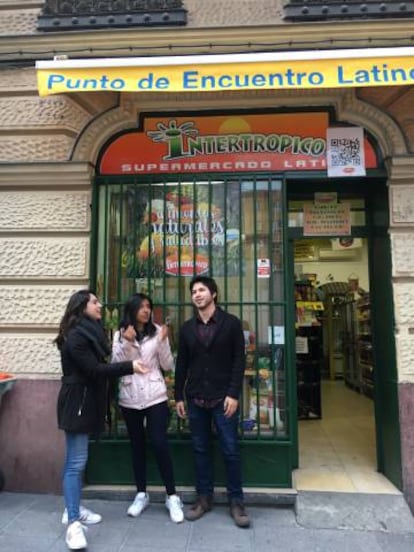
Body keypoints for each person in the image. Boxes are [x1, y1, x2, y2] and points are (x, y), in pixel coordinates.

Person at [55, 289, 147, 551]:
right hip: (77, 403)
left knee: (76, 460)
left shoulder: (90, 332)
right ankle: (73, 523)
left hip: (85, 401)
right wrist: (131, 366)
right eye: (95, 302)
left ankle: (72, 507)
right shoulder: (76, 337)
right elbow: (94, 370)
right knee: (75, 462)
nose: (100, 305)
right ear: (82, 306)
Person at [174, 276, 250, 528]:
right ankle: (203, 498)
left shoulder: (231, 323)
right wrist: (178, 396)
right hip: (196, 399)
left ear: (214, 293)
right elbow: (181, 365)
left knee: (230, 449)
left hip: (223, 399)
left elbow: (239, 361)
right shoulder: (187, 328)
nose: (197, 294)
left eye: (202, 290)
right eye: (193, 291)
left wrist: (233, 394)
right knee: (200, 449)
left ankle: (236, 501)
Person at [111, 293, 184, 523]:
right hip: (130, 396)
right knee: (137, 445)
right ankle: (141, 494)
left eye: (148, 307)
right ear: (132, 309)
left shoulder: (158, 331)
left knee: (159, 442)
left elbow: (167, 365)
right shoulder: (120, 334)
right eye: (141, 306)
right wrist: (126, 342)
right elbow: (116, 365)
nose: (146, 310)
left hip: (155, 396)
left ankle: (172, 496)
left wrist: (163, 340)